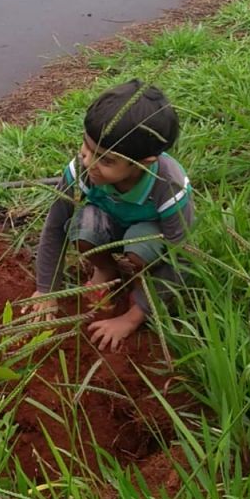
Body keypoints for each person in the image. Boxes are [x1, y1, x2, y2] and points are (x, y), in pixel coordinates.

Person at [26, 79, 194, 351]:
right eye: (86, 146)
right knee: (82, 226)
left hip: (149, 235)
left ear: (143, 164)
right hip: (108, 223)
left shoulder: (169, 187)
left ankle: (142, 287)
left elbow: (182, 259)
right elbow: (55, 226)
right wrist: (47, 288)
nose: (88, 162)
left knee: (141, 247)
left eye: (106, 159)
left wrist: (131, 318)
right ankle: (106, 269)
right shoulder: (82, 170)